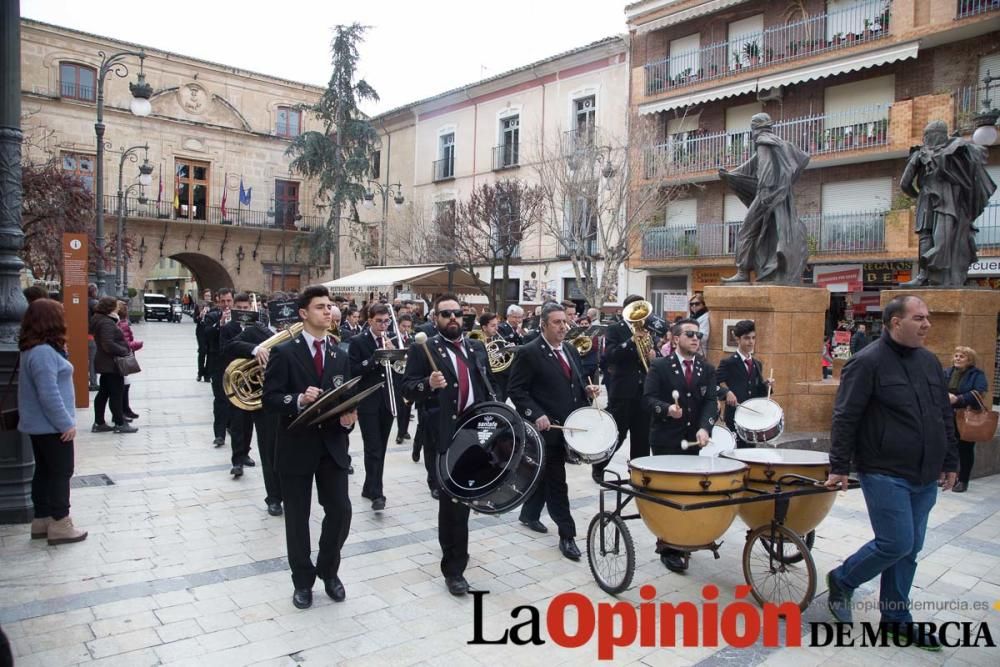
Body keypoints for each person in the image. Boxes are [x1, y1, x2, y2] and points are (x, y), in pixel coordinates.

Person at [825, 296, 959, 650]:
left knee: (910, 548)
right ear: (895, 322)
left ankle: (896, 619)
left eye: (928, 317)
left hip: (925, 474)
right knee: (896, 542)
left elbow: (943, 415)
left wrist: (950, 461)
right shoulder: (866, 362)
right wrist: (839, 466)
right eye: (919, 318)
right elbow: (845, 416)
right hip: (884, 471)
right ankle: (843, 578)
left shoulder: (930, 362)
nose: (927, 324)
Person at [262, 285, 357, 610]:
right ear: (304, 313)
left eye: (330, 306)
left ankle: (329, 571)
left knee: (341, 511)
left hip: (332, 447)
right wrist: (297, 399)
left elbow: (344, 401)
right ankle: (302, 582)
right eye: (320, 307)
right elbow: (270, 399)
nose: (328, 311)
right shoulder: (285, 353)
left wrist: (349, 420)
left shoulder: (339, 354)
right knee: (298, 519)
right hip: (296, 447)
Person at [402, 294, 496, 595]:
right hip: (445, 433)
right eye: (446, 314)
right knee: (452, 502)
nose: (453, 319)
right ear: (435, 319)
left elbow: (489, 383)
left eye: (457, 314)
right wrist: (427, 384)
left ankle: (458, 548)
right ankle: (454, 568)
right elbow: (407, 387)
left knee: (468, 497)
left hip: (477, 432)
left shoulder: (476, 346)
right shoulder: (423, 348)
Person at [508, 302, 600, 560]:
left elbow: (574, 383)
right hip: (546, 431)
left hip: (568, 428)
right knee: (557, 483)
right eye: (557, 322)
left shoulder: (570, 348)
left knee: (545, 476)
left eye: (565, 322)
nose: (563, 327)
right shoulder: (529, 352)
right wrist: (536, 414)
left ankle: (528, 514)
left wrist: (587, 391)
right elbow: (516, 391)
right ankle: (567, 535)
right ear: (543, 325)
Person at [644, 318, 718, 572]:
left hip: (692, 441)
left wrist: (705, 427)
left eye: (698, 335)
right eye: (689, 334)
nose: (696, 339)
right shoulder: (660, 366)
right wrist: (666, 410)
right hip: (666, 439)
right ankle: (667, 546)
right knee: (669, 494)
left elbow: (710, 402)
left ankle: (685, 535)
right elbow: (648, 399)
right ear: (676, 339)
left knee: (690, 491)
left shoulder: (706, 369)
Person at [18, 299, 87, 545]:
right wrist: (65, 423)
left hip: (40, 425)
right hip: (50, 426)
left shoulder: (34, 349)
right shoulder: (44, 353)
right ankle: (60, 522)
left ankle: (42, 519)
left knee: (45, 471)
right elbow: (48, 393)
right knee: (61, 472)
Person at [899, 120, 996, 287]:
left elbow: (904, 184)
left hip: (927, 199)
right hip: (953, 200)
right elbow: (972, 175)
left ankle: (923, 276)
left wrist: (918, 196)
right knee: (947, 236)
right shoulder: (958, 150)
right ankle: (940, 275)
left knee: (926, 236)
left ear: (927, 137)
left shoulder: (920, 155)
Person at [720, 112, 810, 285]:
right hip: (781, 196)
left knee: (746, 231)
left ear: (755, 128)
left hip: (767, 195)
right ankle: (764, 270)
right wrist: (731, 175)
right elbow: (752, 165)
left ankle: (742, 272)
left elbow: (766, 168)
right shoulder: (779, 144)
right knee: (772, 231)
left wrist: (766, 194)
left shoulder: (763, 142)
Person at [225, 299, 285, 514]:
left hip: (294, 399)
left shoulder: (298, 332)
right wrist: (256, 349)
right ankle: (274, 497)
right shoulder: (254, 330)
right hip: (265, 400)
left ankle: (290, 491)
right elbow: (230, 346)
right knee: (269, 451)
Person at [599, 294, 654, 482]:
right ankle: (599, 466)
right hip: (622, 390)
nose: (640, 316)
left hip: (643, 391)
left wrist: (652, 355)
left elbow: (648, 359)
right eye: (635, 310)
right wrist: (631, 341)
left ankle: (639, 472)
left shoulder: (647, 329)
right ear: (626, 310)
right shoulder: (615, 329)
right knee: (618, 434)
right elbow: (610, 356)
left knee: (642, 436)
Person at [348, 304, 396, 512]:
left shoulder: (391, 340)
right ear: (369, 321)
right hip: (368, 402)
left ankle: (369, 486)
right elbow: (353, 370)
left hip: (388, 400)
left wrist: (395, 357)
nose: (383, 325)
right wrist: (375, 358)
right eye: (379, 321)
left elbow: (399, 371)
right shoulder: (358, 341)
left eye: (386, 321)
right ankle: (377, 493)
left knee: (381, 448)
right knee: (373, 448)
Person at [220, 293, 260, 478]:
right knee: (237, 421)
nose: (243, 311)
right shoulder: (228, 328)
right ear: (235, 308)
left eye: (246, 308)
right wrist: (251, 349)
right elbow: (226, 349)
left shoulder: (257, 327)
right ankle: (237, 461)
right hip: (235, 381)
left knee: (249, 421)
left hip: (253, 381)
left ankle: (245, 452)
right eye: (240, 308)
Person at [716, 320, 772, 449]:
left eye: (753, 338)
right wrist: (726, 392)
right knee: (736, 451)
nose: (751, 342)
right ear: (738, 339)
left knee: (751, 452)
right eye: (746, 338)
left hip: (752, 416)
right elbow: (712, 384)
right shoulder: (728, 362)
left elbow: (757, 391)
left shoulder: (757, 364)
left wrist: (767, 385)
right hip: (735, 416)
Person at [90, 296, 138, 434]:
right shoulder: (106, 322)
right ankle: (119, 423)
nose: (118, 307)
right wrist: (124, 350)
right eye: (116, 305)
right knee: (116, 393)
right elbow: (108, 343)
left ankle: (99, 422)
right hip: (111, 363)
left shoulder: (101, 319)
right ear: (110, 307)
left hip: (106, 362)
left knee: (104, 393)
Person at [945, 346, 988, 493]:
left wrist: (958, 398)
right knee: (947, 446)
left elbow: (979, 391)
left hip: (967, 417)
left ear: (969, 360)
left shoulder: (977, 374)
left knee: (965, 449)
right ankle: (946, 476)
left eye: (961, 356)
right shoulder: (947, 372)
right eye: (956, 355)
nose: (957, 358)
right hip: (947, 415)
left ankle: (963, 480)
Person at [204, 288, 234, 447]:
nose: (226, 304)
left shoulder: (240, 317)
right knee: (220, 400)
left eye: (229, 301)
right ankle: (219, 434)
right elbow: (206, 335)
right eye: (223, 301)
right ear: (218, 301)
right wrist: (220, 322)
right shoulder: (212, 316)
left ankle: (232, 427)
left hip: (236, 364)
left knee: (235, 400)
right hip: (218, 364)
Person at [116, 301, 142, 421]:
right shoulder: (123, 324)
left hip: (120, 356)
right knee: (124, 384)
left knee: (124, 383)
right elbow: (127, 343)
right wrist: (138, 344)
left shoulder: (118, 323)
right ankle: (122, 411)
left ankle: (124, 410)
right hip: (123, 357)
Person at [394, 313, 414, 445]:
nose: (405, 329)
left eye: (408, 327)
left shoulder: (412, 340)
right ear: (398, 325)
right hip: (397, 375)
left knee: (408, 405)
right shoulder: (393, 340)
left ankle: (404, 429)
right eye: (403, 326)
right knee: (400, 406)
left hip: (409, 375)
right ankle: (400, 433)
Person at [194, 288, 213, 382]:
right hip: (201, 331)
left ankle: (207, 375)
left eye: (209, 296)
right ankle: (200, 373)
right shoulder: (198, 305)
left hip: (210, 331)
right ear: (203, 296)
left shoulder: (213, 306)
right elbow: (195, 319)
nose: (207, 298)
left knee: (210, 352)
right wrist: (200, 315)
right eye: (206, 296)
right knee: (202, 351)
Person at [87, 283, 99, 391]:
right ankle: (93, 383)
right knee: (92, 361)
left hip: (81, 336)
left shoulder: (82, 302)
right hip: (91, 336)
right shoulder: (94, 303)